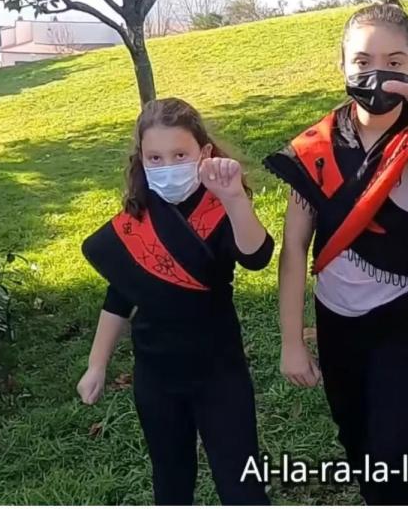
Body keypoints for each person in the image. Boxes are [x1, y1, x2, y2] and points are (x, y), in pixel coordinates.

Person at [263, 0, 408, 505]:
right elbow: (294, 250)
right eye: (364, 61)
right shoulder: (314, 148)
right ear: (343, 65)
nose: (379, 74)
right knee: (357, 445)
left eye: (396, 62)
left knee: (392, 459)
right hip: (336, 322)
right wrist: (292, 340)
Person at [77, 98, 273, 505]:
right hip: (157, 377)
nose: (168, 166)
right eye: (156, 158)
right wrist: (97, 365)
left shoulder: (219, 208)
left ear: (204, 153)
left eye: (179, 155)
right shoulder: (137, 220)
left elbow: (256, 257)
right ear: (142, 161)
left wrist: (235, 198)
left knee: (241, 484)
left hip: (219, 373)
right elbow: (119, 296)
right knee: (171, 480)